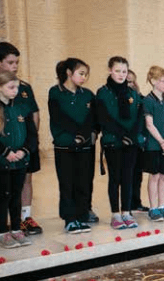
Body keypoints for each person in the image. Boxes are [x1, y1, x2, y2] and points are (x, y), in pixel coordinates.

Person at [0, 42, 43, 236]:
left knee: (25, 179)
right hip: (3, 149)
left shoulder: (24, 87)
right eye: (10, 62)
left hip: (23, 145)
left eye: (17, 62)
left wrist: (29, 145)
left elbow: (34, 115)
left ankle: (24, 218)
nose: (15, 66)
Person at [48, 58, 95, 234]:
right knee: (67, 182)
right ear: (69, 73)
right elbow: (58, 118)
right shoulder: (55, 92)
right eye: (81, 73)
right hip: (64, 145)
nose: (84, 78)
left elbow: (92, 118)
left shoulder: (88, 94)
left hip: (84, 145)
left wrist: (83, 136)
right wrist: (76, 136)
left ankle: (82, 217)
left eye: (86, 75)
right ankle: (70, 218)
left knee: (83, 181)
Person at [96, 56, 143, 230]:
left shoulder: (132, 93)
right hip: (113, 141)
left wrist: (131, 135)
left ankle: (126, 212)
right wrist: (122, 134)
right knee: (115, 177)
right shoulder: (103, 92)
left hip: (131, 142)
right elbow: (104, 118)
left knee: (128, 178)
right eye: (117, 71)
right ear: (110, 71)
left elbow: (139, 116)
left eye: (124, 71)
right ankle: (116, 214)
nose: (121, 74)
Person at [141, 66, 164, 222]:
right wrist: (161, 141)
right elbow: (149, 124)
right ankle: (153, 207)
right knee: (155, 176)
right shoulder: (148, 101)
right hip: (154, 146)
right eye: (162, 81)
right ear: (153, 81)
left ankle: (163, 205)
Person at [127, 69, 149, 213]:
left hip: (140, 143)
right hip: (127, 142)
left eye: (134, 80)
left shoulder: (142, 98)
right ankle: (126, 204)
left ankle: (137, 202)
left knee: (137, 175)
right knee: (127, 176)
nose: (133, 84)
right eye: (129, 81)